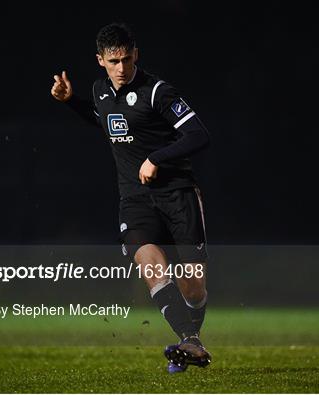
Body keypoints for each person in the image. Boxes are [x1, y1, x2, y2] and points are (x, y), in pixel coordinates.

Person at [50, 22, 211, 374]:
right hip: (135, 199)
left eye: (126, 59)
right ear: (100, 60)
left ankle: (192, 340)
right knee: (152, 267)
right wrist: (71, 102)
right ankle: (190, 340)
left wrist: (157, 159)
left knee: (193, 286)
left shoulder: (158, 92)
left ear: (135, 54)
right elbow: (106, 122)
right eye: (113, 61)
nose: (121, 68)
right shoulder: (99, 91)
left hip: (177, 194)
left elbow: (199, 134)